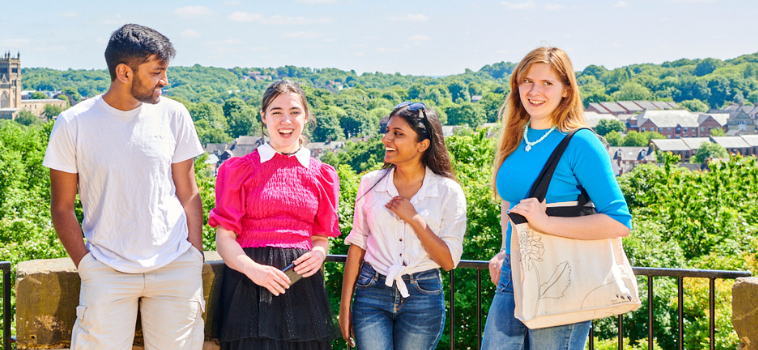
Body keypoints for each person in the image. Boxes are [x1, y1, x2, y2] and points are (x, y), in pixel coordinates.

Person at [43, 24, 205, 350]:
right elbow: (61, 208)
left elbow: (188, 192)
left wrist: (195, 255)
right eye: (157, 72)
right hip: (106, 270)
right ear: (124, 72)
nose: (165, 80)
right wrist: (88, 267)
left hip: (175, 267)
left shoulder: (174, 115)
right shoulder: (73, 123)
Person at [479, 47, 632, 349]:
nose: (534, 91)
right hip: (513, 270)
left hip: (561, 275)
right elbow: (510, 203)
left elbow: (618, 221)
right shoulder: (516, 137)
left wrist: (544, 222)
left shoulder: (581, 142)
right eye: (527, 81)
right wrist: (502, 250)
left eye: (547, 83)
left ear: (565, 90)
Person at [209, 80, 341, 350]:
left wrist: (319, 254)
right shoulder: (238, 169)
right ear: (264, 117)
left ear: (305, 118)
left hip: (301, 285)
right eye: (276, 112)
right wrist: (253, 270)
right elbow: (224, 238)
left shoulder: (323, 175)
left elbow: (320, 238)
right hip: (250, 285)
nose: (286, 120)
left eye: (294, 111)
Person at [338, 102, 467, 350]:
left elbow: (449, 262)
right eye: (388, 131)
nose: (387, 138)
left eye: (398, 134)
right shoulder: (371, 184)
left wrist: (415, 219)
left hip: (423, 297)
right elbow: (357, 245)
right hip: (371, 292)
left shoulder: (448, 191)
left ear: (422, 145)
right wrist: (345, 307)